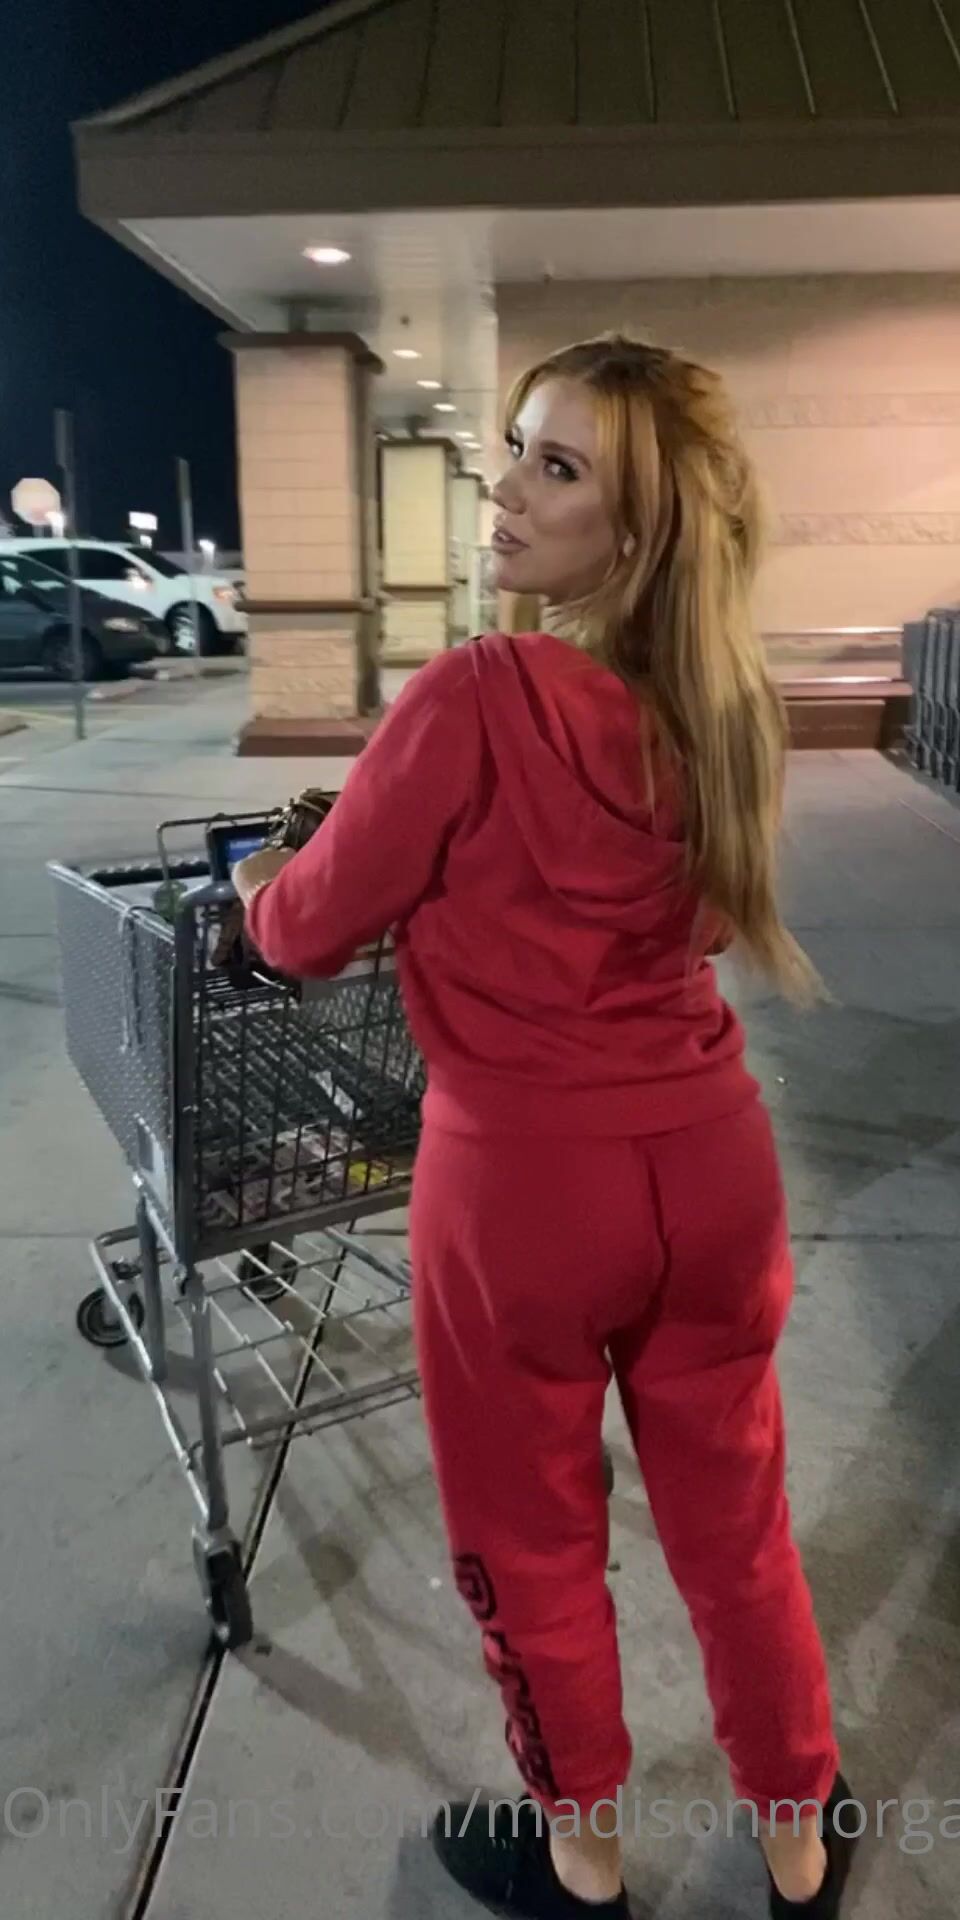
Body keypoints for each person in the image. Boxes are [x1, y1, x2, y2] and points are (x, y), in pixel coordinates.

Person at [234, 335, 855, 1920]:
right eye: (516, 446)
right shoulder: (725, 713)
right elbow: (706, 925)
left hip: (520, 1191)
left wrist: (258, 883)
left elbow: (304, 929)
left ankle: (583, 1858)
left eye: (555, 467)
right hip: (710, 1165)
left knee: (533, 1537)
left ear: (633, 531)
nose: (504, 490)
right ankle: (800, 1840)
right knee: (737, 1518)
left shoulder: (478, 695)